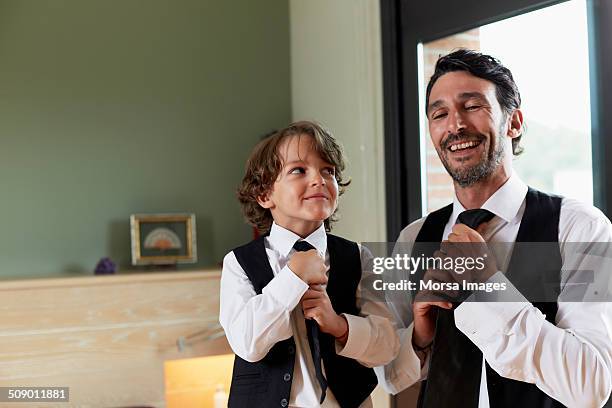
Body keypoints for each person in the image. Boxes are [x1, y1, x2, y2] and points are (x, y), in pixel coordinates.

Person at [376, 49, 612, 407]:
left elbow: (591, 384)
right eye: (439, 114)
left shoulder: (579, 227)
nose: (455, 125)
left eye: (472, 106)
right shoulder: (413, 239)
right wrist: (420, 338)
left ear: (513, 123)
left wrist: (489, 288)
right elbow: (390, 376)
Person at [219, 120, 399, 408]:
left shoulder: (360, 257)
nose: (319, 179)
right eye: (298, 170)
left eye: (328, 170)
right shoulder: (237, 263)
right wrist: (293, 276)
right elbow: (247, 343)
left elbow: (387, 346)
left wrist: (339, 326)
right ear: (265, 195)